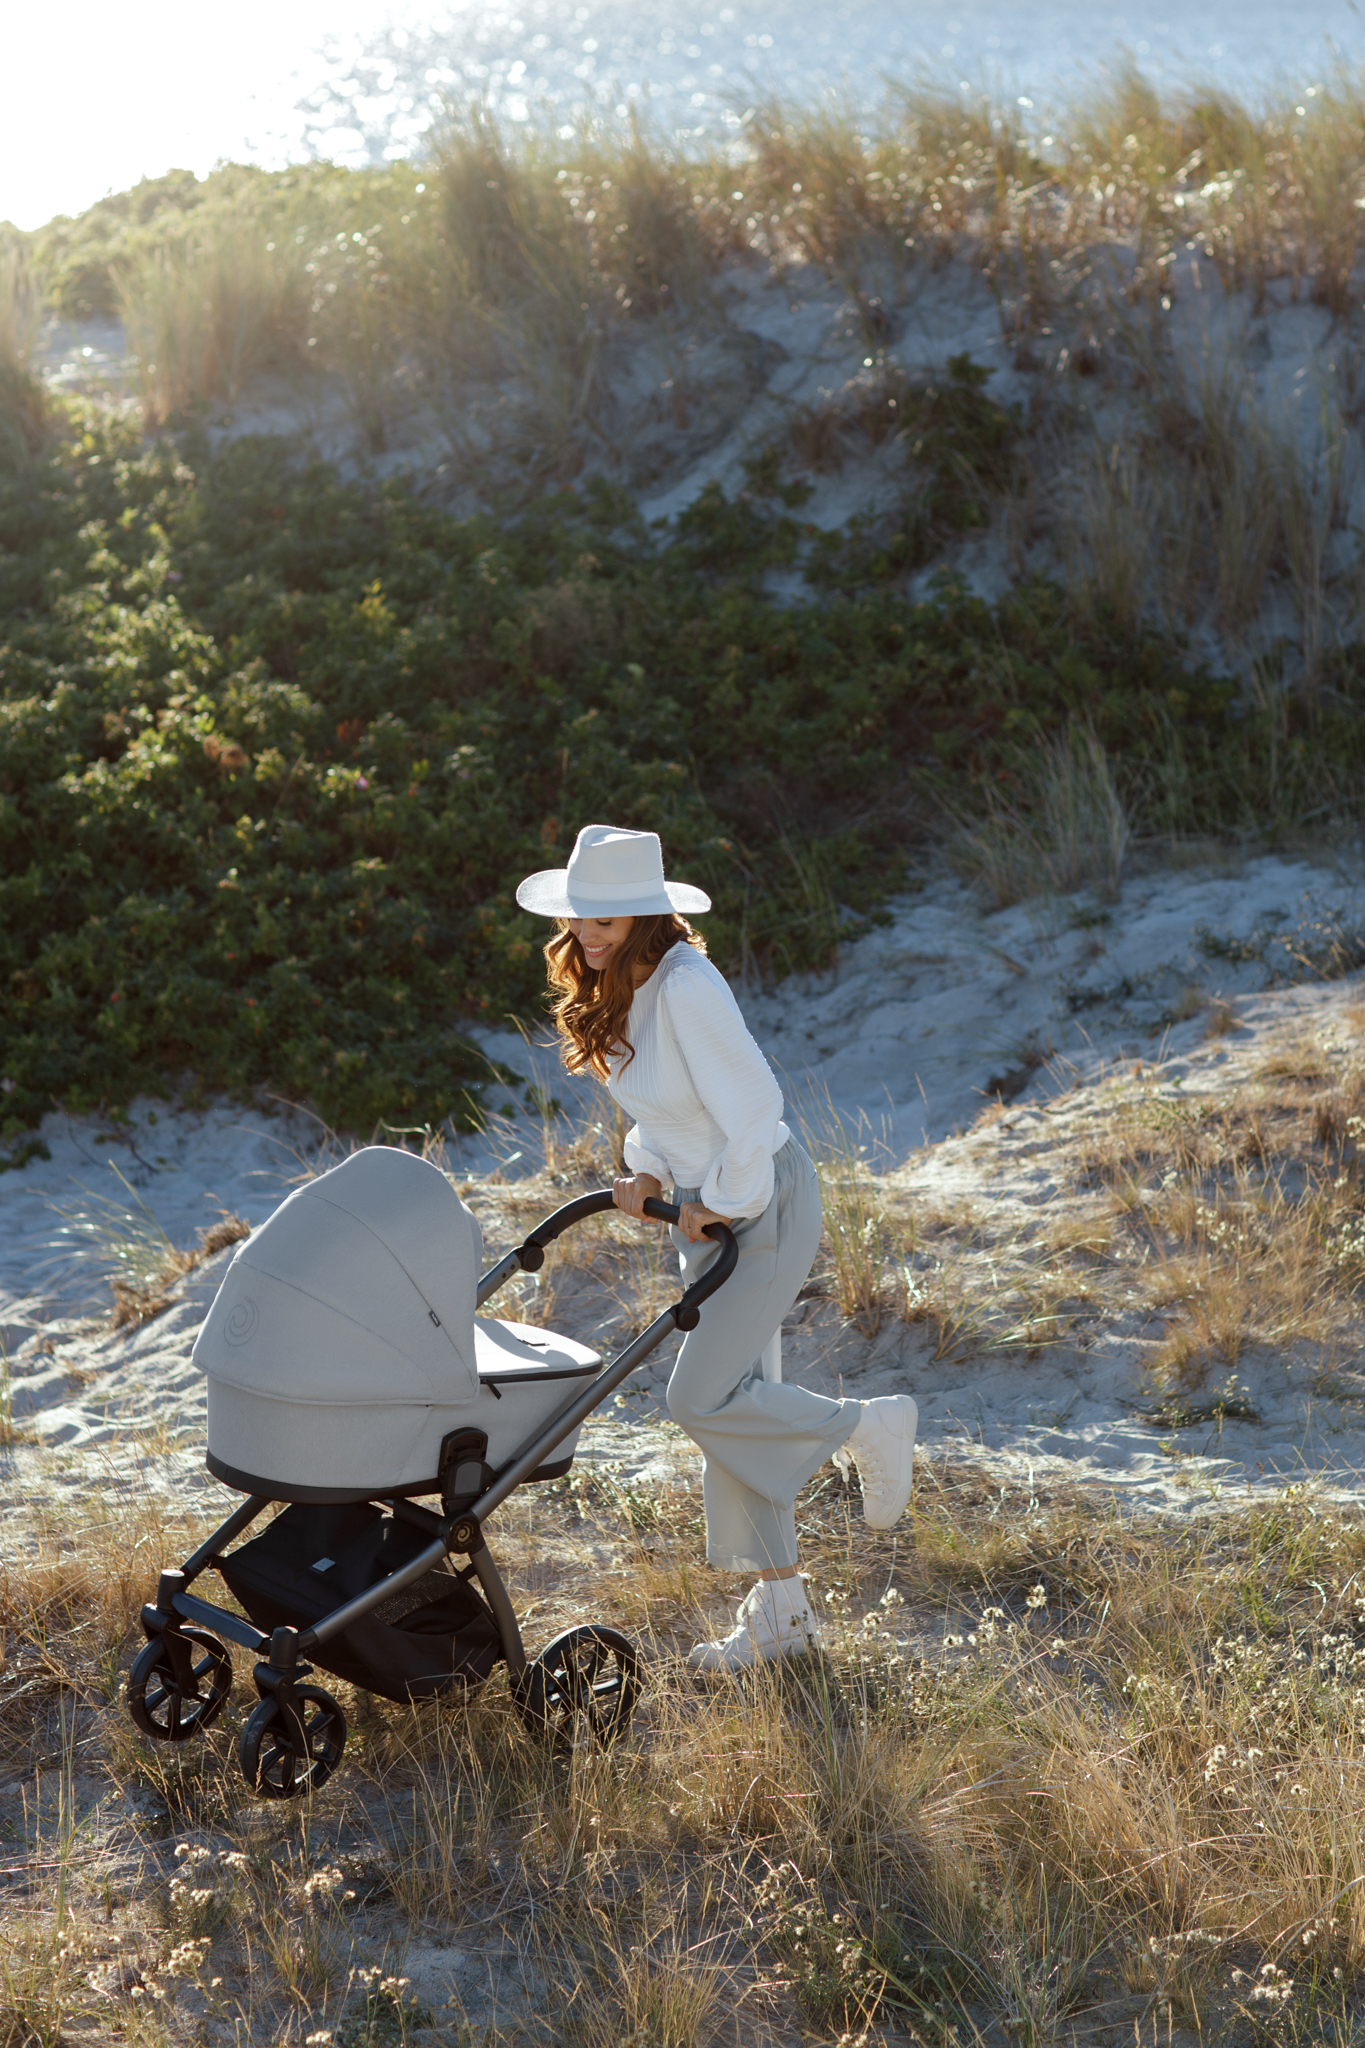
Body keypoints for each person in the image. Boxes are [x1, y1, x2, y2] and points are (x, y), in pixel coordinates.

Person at [516, 822, 918, 1673]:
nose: (587, 934)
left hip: (760, 1198)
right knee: (737, 1406)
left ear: (647, 919)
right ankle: (783, 1613)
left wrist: (722, 1205)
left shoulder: (687, 985)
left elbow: (751, 1112)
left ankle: (867, 1427)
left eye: (607, 921)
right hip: (705, 1210)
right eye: (581, 917)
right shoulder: (623, 983)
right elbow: (667, 1113)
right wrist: (644, 1173)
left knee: (700, 1399)